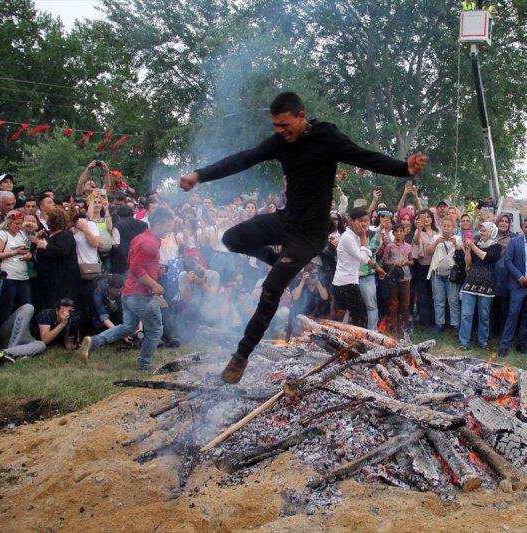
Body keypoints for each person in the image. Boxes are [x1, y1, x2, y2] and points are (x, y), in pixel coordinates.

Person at [177, 92, 427, 383]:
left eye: (285, 125)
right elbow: (244, 158)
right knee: (232, 238)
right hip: (286, 220)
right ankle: (277, 261)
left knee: (271, 288)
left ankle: (241, 356)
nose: (281, 132)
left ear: (301, 115)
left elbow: (364, 156)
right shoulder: (281, 142)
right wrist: (199, 175)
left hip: (310, 234)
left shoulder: (327, 138)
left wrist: (402, 168)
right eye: (276, 127)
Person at [81, 208, 175, 371]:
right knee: (155, 330)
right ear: (159, 223)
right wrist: (154, 284)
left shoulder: (141, 238)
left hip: (129, 292)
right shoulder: (148, 243)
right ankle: (144, 365)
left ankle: (94, 342)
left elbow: (133, 261)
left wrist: (154, 269)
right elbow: (137, 270)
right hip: (141, 295)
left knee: (128, 327)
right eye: (168, 225)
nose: (170, 229)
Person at [498, 217, 527, 357]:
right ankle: (504, 345)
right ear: (523, 227)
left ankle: (522, 344)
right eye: (526, 227)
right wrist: (520, 278)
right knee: (513, 314)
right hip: (518, 286)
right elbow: (508, 261)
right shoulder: (515, 242)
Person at [458, 222, 502, 350]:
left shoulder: (496, 247)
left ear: (491, 232)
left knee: (484, 315)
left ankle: (483, 342)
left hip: (486, 286)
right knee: (466, 314)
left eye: (484, 231)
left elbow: (486, 257)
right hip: (470, 283)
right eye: (481, 230)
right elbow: (468, 265)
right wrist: (467, 251)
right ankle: (464, 342)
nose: (481, 233)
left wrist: (472, 245)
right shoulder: (476, 244)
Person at [331, 207, 376, 327]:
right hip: (345, 283)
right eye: (361, 220)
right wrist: (363, 237)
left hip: (348, 282)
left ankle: (350, 344)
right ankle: (355, 344)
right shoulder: (348, 237)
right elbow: (363, 258)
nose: (364, 223)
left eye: (366, 220)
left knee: (353, 319)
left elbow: (365, 257)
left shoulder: (354, 236)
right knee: (359, 319)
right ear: (351, 221)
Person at [32, 208, 79, 310]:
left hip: (62, 278)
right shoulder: (51, 235)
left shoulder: (65, 235)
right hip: (50, 278)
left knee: (60, 304)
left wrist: (45, 246)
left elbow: (62, 251)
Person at [0, 210, 32, 323]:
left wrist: (28, 255)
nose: (19, 226)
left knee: (27, 306)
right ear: (9, 223)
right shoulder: (2, 234)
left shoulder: (21, 234)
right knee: (7, 307)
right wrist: (14, 252)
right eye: (16, 224)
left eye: (20, 223)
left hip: (23, 275)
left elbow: (27, 250)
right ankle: (4, 335)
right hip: (8, 275)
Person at [427, 216, 462, 333]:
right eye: (444, 226)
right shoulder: (436, 237)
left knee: (453, 300)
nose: (446, 228)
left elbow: (462, 255)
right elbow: (428, 251)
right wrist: (436, 242)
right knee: (438, 300)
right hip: (437, 274)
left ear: (453, 227)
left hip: (451, 275)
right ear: (441, 226)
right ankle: (439, 324)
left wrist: (456, 244)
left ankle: (455, 325)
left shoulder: (458, 238)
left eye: (449, 226)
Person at [382, 224, 413, 334]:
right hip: (394, 276)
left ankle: (405, 325)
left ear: (404, 232)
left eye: (401, 231)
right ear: (394, 233)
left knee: (405, 302)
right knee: (394, 301)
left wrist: (406, 262)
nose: (399, 233)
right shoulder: (389, 246)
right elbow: (385, 261)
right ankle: (393, 325)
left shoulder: (408, 246)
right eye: (397, 231)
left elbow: (412, 261)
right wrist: (393, 263)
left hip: (405, 276)